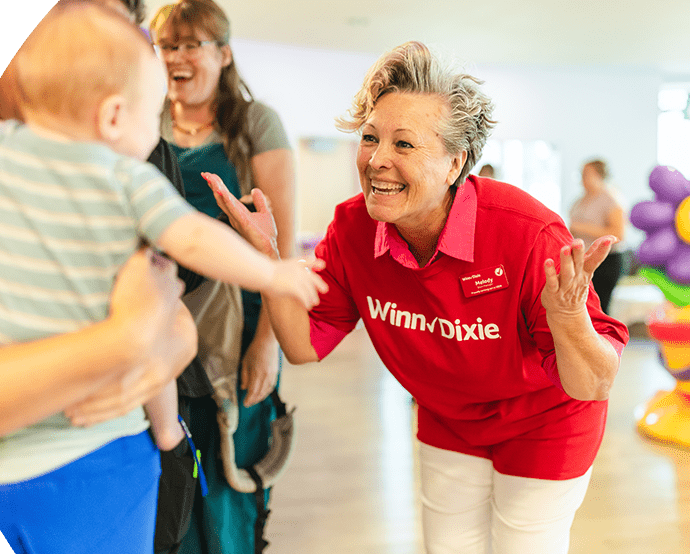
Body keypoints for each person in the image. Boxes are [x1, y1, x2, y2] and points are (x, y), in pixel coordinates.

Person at [206, 41, 630, 554]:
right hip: (448, 415)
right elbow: (302, 347)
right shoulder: (352, 229)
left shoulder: (527, 234)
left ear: (455, 163)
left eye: (404, 145)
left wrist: (567, 317)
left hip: (543, 421)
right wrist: (268, 258)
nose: (377, 160)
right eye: (369, 138)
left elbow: (593, 384)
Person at [0, 3, 326, 553]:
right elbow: (194, 238)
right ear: (113, 116)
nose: (159, 134)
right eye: (154, 120)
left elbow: (171, 319)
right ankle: (171, 430)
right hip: (59, 451)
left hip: (115, 428)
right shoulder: (124, 175)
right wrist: (272, 272)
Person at [149, 2, 297, 552]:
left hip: (242, 322)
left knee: (233, 455)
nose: (176, 57)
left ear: (224, 54)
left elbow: (278, 242)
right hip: (164, 319)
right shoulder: (146, 121)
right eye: (167, 46)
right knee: (175, 460)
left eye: (192, 45)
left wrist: (269, 344)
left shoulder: (256, 122)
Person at [569, 159, 626, 314]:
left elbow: (618, 233)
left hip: (607, 261)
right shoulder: (580, 201)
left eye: (586, 173)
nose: (582, 178)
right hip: (583, 260)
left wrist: (582, 228)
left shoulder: (611, 199)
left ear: (599, 175)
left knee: (599, 308)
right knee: (583, 308)